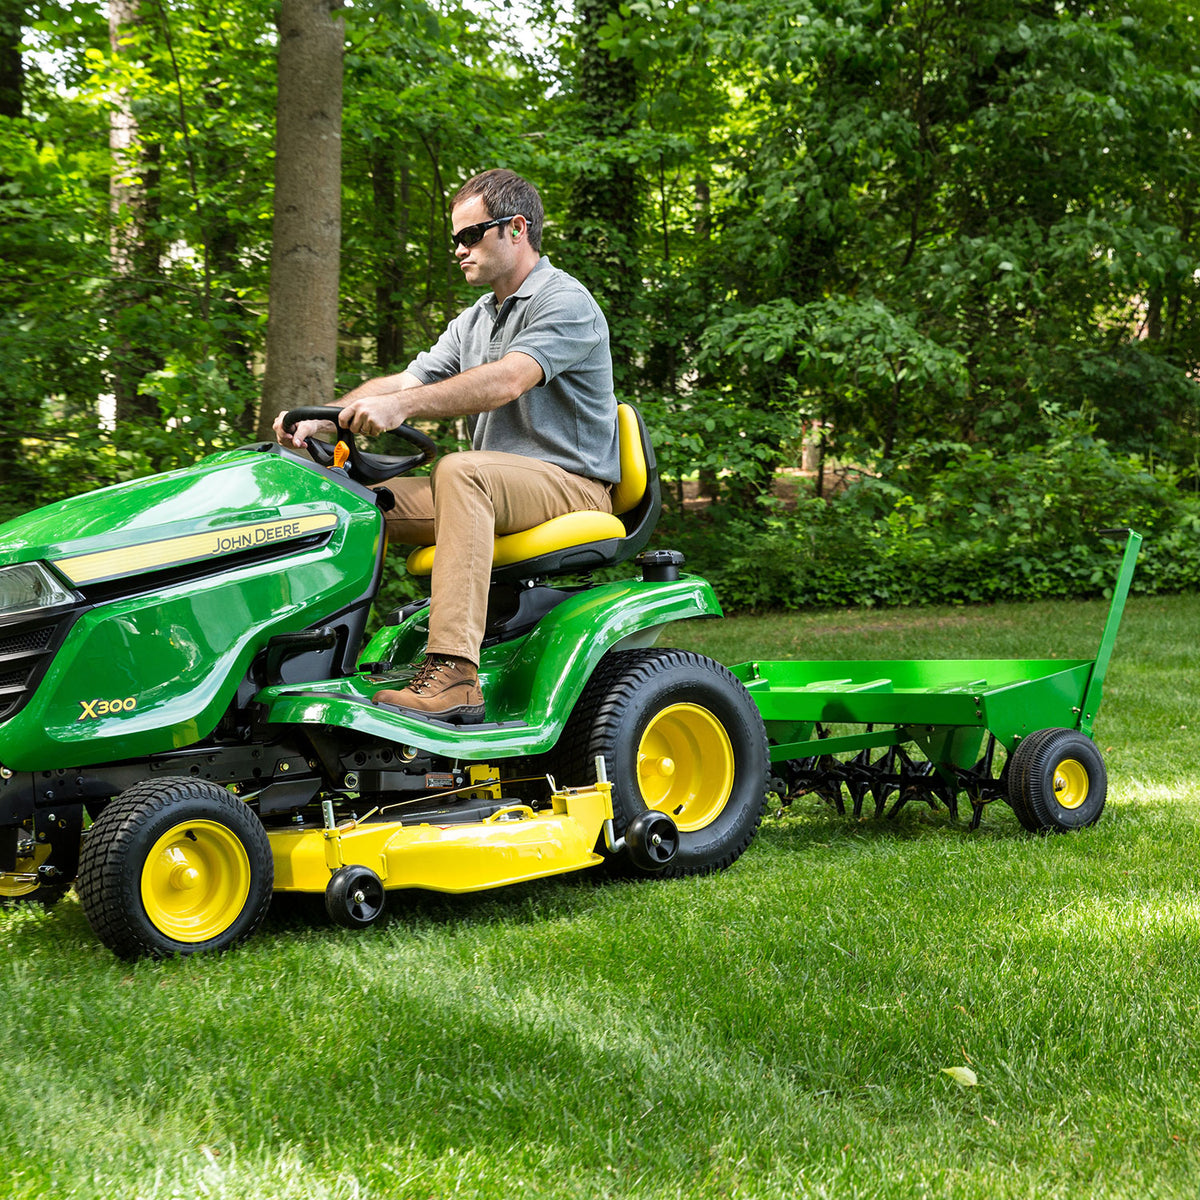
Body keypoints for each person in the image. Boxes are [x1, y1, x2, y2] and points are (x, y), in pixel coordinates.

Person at [274, 169, 619, 724]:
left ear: (517, 228)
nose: (457, 249)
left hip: (570, 483)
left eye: (469, 235)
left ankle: (455, 673)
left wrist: (402, 409)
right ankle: (297, 659)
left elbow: (508, 380)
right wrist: (326, 418)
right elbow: (408, 382)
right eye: (453, 239)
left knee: (460, 471)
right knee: (341, 500)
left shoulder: (565, 301)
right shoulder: (476, 319)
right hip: (493, 489)